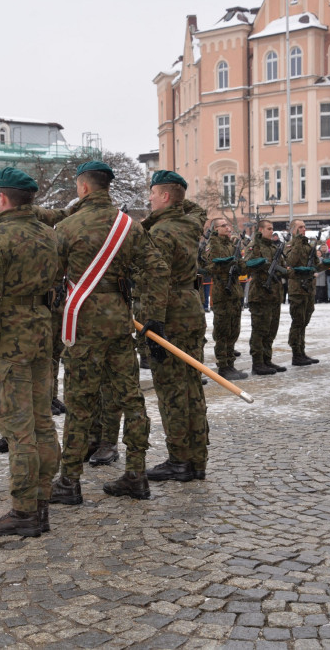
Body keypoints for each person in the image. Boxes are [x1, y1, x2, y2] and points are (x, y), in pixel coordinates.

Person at [50, 160, 169, 505]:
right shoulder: (128, 227)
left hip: (82, 324)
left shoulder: (68, 227)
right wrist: (153, 318)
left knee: (80, 403)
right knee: (131, 399)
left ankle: (69, 481)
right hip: (119, 320)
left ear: (84, 187)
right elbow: (157, 270)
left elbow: (52, 278)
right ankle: (137, 474)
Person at [0, 168, 62, 537]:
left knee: (18, 429)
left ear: (1, 197)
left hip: (9, 339)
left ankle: (24, 512)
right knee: (42, 422)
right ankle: (40, 504)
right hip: (40, 333)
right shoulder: (49, 235)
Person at [140, 170, 209, 485]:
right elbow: (196, 209)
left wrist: (152, 322)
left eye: (153, 193)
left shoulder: (162, 232)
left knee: (172, 391)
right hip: (192, 308)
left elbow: (156, 278)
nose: (149, 198)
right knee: (192, 387)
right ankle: (196, 459)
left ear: (165, 196)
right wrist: (178, 197)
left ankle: (179, 459)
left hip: (170, 315)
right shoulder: (190, 224)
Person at [284, 220, 330, 365]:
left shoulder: (308, 246)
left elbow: (316, 267)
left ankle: (302, 351)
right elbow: (290, 261)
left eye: (304, 226)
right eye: (300, 227)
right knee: (298, 321)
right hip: (297, 289)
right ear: (293, 230)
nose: (303, 229)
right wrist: (297, 242)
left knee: (304, 321)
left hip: (309, 288)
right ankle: (296, 353)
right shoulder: (290, 245)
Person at [203, 219, 246, 380]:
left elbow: (241, 265)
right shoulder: (212, 244)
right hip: (222, 293)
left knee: (234, 330)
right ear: (215, 229)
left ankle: (230, 364)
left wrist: (242, 265)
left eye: (228, 225)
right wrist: (224, 265)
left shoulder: (231, 245)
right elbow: (209, 267)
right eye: (223, 226)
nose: (228, 228)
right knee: (222, 332)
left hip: (234, 293)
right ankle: (223, 366)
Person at [244, 219, 287, 376]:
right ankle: (258, 363)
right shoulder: (254, 246)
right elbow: (246, 263)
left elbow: (282, 267)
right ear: (260, 230)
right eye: (269, 228)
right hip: (260, 294)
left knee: (271, 330)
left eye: (272, 228)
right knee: (259, 330)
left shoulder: (274, 247)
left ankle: (267, 359)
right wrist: (259, 262)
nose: (272, 231)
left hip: (274, 294)